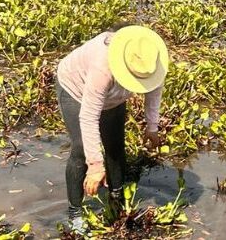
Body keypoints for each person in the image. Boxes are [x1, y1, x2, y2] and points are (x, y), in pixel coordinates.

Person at [56, 25, 168, 234]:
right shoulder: (103, 66)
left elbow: (154, 92)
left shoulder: (151, 61)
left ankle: (116, 198)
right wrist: (96, 166)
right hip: (75, 89)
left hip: (113, 96)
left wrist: (152, 127)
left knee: (115, 145)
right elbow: (88, 117)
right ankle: (75, 212)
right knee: (81, 149)